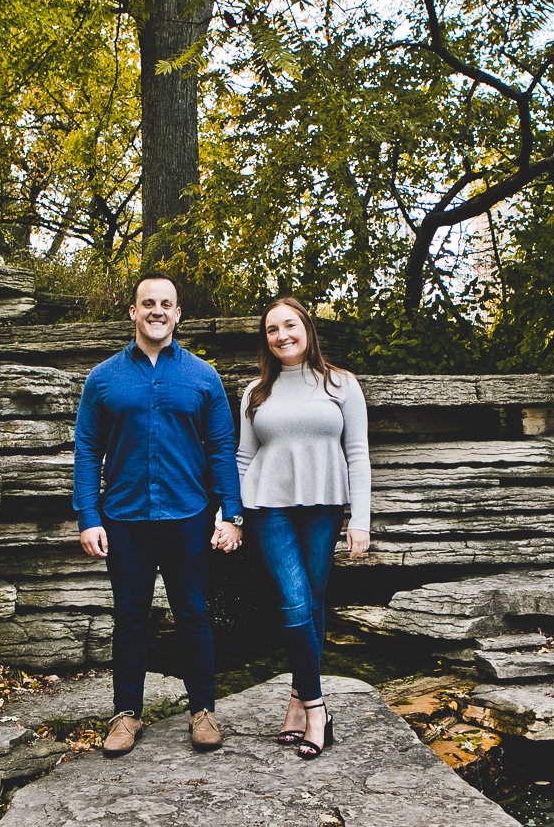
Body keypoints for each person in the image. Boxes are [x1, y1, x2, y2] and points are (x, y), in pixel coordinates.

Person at [73, 271, 244, 757]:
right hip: (124, 519)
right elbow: (87, 450)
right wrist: (89, 516)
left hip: (188, 516)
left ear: (177, 314)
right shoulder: (104, 378)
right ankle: (126, 715)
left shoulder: (202, 376)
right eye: (147, 303)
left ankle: (202, 711)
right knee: (130, 617)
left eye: (166, 304)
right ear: (132, 311)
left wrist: (230, 513)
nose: (156, 311)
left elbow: (221, 448)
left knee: (193, 613)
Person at [237, 297, 370, 759]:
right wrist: (231, 514)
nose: (282, 336)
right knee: (294, 602)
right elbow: (242, 458)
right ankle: (317, 709)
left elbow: (357, 452)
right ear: (266, 341)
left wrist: (361, 518)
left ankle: (296, 701)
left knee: (313, 602)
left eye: (289, 325)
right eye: (272, 330)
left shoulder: (342, 384)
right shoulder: (255, 391)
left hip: (325, 506)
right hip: (268, 509)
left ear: (307, 329)